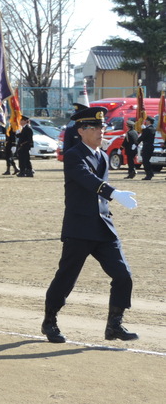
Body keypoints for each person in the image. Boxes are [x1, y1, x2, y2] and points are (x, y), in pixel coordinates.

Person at [42, 106, 139, 343]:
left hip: (103, 226)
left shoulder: (103, 156)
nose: (100, 130)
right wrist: (113, 192)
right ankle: (50, 320)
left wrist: (110, 198)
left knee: (123, 275)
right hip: (79, 228)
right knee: (66, 277)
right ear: (81, 130)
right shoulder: (75, 155)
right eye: (94, 127)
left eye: (102, 126)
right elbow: (87, 179)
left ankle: (114, 325)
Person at [136, 115, 156, 180]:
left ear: (149, 121)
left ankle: (149, 174)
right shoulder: (152, 128)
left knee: (145, 161)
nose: (145, 121)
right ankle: (150, 173)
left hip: (147, 146)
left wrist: (136, 143)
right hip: (150, 146)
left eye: (146, 120)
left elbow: (142, 137)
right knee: (146, 160)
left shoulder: (148, 129)